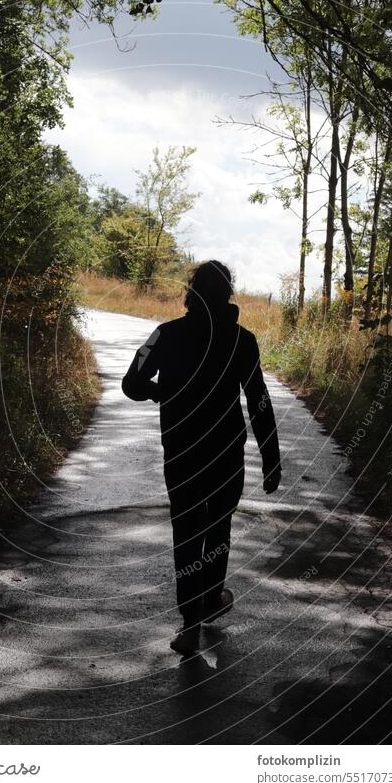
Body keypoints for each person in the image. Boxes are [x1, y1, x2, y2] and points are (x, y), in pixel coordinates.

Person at [121, 261, 281, 654]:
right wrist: (271, 457)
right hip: (227, 452)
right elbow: (258, 400)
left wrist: (163, 393)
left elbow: (131, 383)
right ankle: (210, 601)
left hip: (182, 452)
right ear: (228, 293)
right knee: (219, 528)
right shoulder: (243, 340)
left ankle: (191, 621)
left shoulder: (166, 334)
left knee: (187, 533)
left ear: (191, 292)